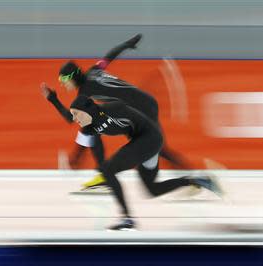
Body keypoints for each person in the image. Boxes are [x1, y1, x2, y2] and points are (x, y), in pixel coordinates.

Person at [41, 33, 192, 192]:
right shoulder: (94, 71)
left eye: (64, 81)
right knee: (153, 145)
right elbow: (109, 56)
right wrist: (127, 44)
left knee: (155, 146)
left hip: (141, 108)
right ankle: (102, 172)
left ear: (73, 77)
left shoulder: (85, 92)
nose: (64, 86)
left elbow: (71, 118)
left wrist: (53, 99)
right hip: (147, 102)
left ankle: (101, 173)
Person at [68, 95, 222, 230]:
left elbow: (136, 112)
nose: (74, 119)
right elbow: (94, 153)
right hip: (143, 142)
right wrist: (79, 160)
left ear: (86, 110)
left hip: (150, 139)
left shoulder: (112, 109)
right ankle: (198, 180)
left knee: (108, 170)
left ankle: (127, 219)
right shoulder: (88, 129)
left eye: (75, 114)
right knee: (152, 189)